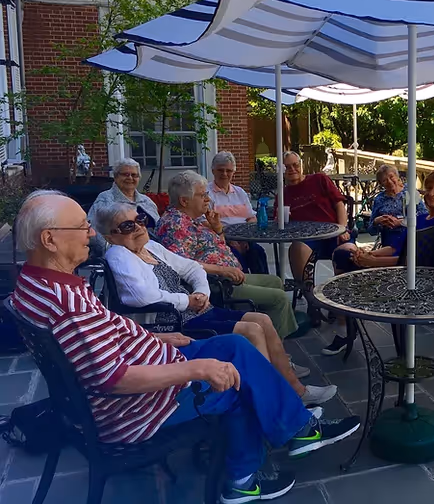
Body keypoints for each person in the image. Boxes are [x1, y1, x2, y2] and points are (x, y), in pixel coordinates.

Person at [9, 190, 360, 503]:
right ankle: (247, 476)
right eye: (82, 227)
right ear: (49, 239)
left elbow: (99, 336)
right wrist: (198, 368)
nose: (90, 234)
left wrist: (157, 338)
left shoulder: (33, 286)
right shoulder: (68, 302)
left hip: (143, 370)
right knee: (237, 379)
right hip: (135, 408)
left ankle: (295, 429)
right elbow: (114, 379)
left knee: (235, 346)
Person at [100, 202, 336, 406]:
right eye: (128, 226)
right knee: (252, 329)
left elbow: (191, 267)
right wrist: (187, 300)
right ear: (111, 236)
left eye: (139, 220)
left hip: (197, 310)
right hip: (172, 323)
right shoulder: (119, 255)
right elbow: (141, 296)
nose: (139, 227)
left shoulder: (151, 247)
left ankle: (294, 389)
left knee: (262, 320)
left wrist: (202, 293)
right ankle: (272, 398)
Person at [323, 171, 434, 355]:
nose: (431, 193)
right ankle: (347, 322)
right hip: (402, 269)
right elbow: (397, 247)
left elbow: (416, 262)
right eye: (429, 188)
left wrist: (372, 262)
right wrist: (369, 254)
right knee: (345, 253)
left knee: (344, 265)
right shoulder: (421, 219)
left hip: (418, 281)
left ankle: (347, 326)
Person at [155, 171, 298, 338]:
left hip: (230, 276)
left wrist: (217, 228)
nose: (208, 199)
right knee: (279, 298)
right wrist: (222, 270)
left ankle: (270, 332)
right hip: (218, 285)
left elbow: (218, 245)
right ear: (184, 200)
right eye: (202, 195)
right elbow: (180, 264)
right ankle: (276, 347)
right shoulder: (175, 225)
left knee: (275, 281)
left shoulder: (194, 219)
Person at [282, 150, 354, 283]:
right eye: (287, 167)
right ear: (282, 170)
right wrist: (283, 218)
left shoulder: (319, 179)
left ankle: (341, 293)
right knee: (296, 249)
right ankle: (311, 298)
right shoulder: (282, 194)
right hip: (307, 238)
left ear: (301, 165)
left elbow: (339, 204)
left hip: (334, 233)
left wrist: (343, 228)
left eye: (295, 165)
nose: (292, 169)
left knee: (348, 252)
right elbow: (279, 222)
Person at [207, 151, 267, 274]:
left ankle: (265, 286)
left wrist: (245, 238)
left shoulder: (240, 192)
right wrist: (229, 239)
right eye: (220, 170)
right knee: (237, 261)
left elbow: (252, 218)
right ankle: (244, 289)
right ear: (213, 171)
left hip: (245, 239)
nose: (224, 174)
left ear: (233, 172)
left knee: (259, 253)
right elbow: (206, 223)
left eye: (228, 171)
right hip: (222, 241)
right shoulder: (207, 194)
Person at [87, 158, 160, 252]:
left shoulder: (146, 201)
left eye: (134, 175)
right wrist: (116, 250)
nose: (130, 178)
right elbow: (95, 231)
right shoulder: (106, 199)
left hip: (153, 250)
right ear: (116, 177)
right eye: (125, 174)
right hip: (124, 252)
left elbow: (159, 228)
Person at [367, 164, 427, 247]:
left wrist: (400, 222)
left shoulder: (409, 192)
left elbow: (423, 216)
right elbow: (371, 231)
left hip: (410, 240)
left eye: (391, 177)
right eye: (384, 180)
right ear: (381, 184)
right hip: (388, 242)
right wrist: (377, 221)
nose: (389, 182)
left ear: (397, 176)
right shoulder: (379, 199)